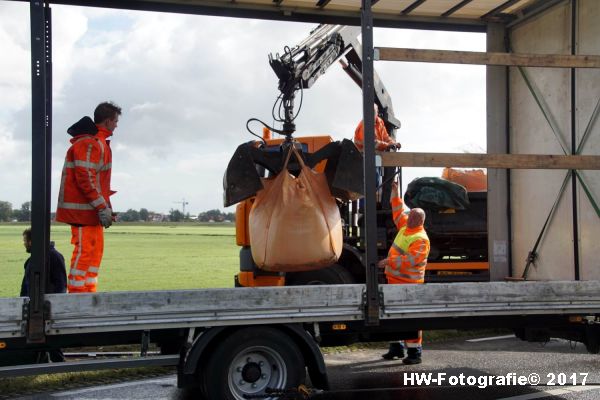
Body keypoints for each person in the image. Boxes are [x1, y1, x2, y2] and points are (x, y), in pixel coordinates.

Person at [56, 101, 121, 293]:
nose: (117, 125)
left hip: (90, 212)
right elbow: (86, 178)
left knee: (94, 252)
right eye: (116, 121)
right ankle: (77, 296)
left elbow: (98, 183)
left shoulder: (97, 143)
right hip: (83, 213)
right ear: (108, 121)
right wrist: (102, 207)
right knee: (85, 253)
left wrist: (106, 208)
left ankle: (88, 293)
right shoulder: (90, 143)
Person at [378, 181, 430, 365]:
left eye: (412, 218)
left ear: (419, 221)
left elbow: (411, 260)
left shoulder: (421, 239)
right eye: (409, 217)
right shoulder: (406, 227)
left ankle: (415, 353)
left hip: (410, 285)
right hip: (394, 281)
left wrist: (388, 261)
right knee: (393, 316)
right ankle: (396, 347)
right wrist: (395, 192)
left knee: (411, 318)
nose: (408, 219)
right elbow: (398, 210)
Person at [21, 228, 67, 363]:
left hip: (46, 307)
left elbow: (60, 284)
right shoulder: (35, 258)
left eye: (25, 240)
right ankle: (43, 363)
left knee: (50, 339)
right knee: (41, 338)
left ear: (31, 241)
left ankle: (59, 365)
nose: (24, 243)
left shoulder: (53, 256)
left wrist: (53, 305)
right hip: (34, 306)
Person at [353, 103, 400, 209]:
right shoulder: (364, 124)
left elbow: (386, 137)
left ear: (377, 112)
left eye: (373, 112)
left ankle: (376, 205)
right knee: (368, 184)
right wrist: (388, 145)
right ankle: (365, 208)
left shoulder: (379, 122)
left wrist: (393, 143)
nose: (370, 114)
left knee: (377, 183)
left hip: (374, 158)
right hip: (363, 159)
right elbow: (372, 143)